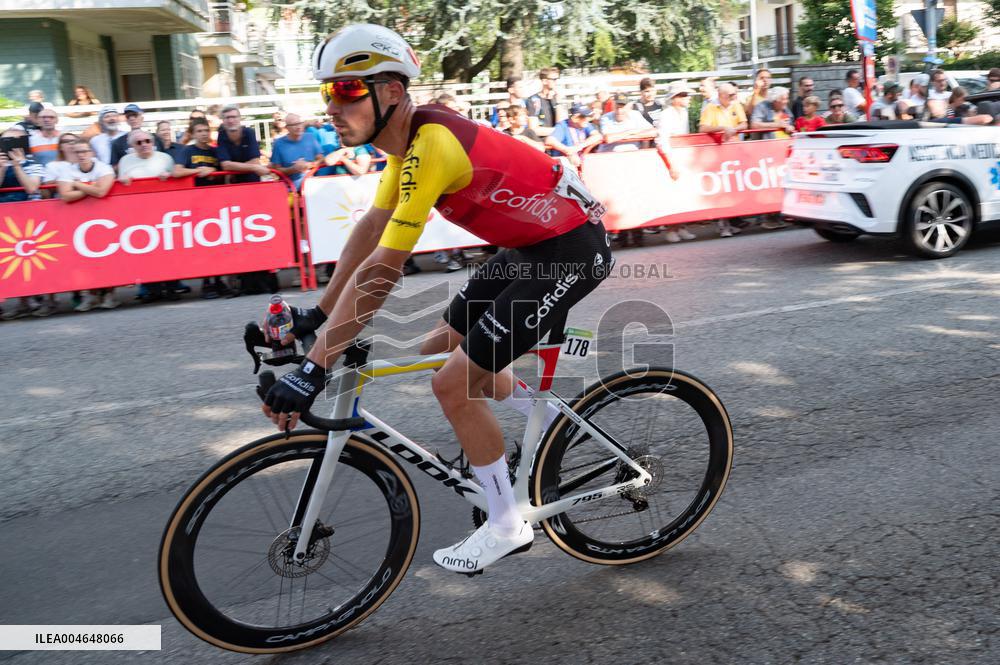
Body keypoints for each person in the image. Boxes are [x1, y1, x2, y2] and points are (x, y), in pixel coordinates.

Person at [262, 23, 612, 574]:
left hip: (570, 252)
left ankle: (506, 525)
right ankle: (539, 420)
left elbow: (383, 271)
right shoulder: (404, 146)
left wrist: (313, 366)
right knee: (437, 347)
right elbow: (372, 229)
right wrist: (322, 313)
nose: (332, 105)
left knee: (451, 382)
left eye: (349, 90)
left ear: (393, 92)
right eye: (327, 92)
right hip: (528, 249)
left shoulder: (432, 147)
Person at [57, 140, 118, 311]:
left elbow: (101, 191)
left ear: (91, 152)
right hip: (78, 221)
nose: (81, 155)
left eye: (84, 151)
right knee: (84, 260)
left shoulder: (103, 167)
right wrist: (91, 187)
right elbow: (65, 196)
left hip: (105, 219)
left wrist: (77, 184)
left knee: (107, 258)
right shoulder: (67, 169)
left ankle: (109, 294)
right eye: (77, 152)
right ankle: (91, 296)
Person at [653, 81, 697, 243]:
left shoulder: (683, 113)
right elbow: (662, 141)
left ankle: (681, 226)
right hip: (669, 158)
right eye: (684, 95)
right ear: (675, 98)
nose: (688, 98)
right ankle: (671, 229)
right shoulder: (667, 114)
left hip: (682, 155)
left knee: (683, 193)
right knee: (671, 194)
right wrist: (671, 164)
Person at [216, 104, 271, 183]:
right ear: (223, 120)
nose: (231, 121)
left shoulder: (249, 132)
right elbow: (225, 165)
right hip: (233, 183)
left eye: (234, 117)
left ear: (240, 118)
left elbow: (255, 161)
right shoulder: (222, 135)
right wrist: (254, 168)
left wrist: (233, 169)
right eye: (227, 117)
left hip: (251, 181)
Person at [269, 112, 323, 188]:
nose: (298, 127)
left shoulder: (310, 137)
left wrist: (309, 165)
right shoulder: (278, 143)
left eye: (299, 123)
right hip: (289, 190)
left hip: (311, 187)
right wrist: (292, 169)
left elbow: (321, 159)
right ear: (287, 128)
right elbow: (277, 170)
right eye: (294, 125)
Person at [544, 102, 603, 167]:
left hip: (579, 160)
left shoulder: (585, 124)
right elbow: (549, 140)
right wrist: (567, 150)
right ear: (575, 118)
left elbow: (597, 136)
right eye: (584, 117)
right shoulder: (563, 125)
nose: (587, 119)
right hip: (563, 164)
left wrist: (579, 146)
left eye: (588, 116)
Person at [0, 126, 45, 203]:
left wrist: (17, 166)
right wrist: (2, 168)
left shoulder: (33, 164)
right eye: (6, 141)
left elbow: (32, 189)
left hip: (27, 206)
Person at [526, 67, 559, 136]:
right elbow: (533, 129)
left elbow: (563, 123)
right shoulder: (533, 100)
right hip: (543, 140)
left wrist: (558, 100)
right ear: (544, 81)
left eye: (557, 79)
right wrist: (558, 131)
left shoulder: (558, 99)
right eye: (554, 79)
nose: (557, 82)